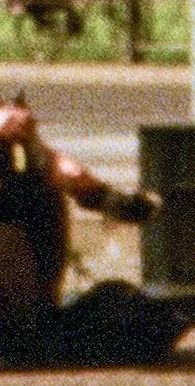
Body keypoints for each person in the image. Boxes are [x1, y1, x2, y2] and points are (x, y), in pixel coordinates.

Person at [0, 95, 182, 366]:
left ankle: (28, 327)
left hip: (23, 313)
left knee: (35, 182)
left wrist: (107, 198)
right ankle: (27, 332)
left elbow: (61, 170)